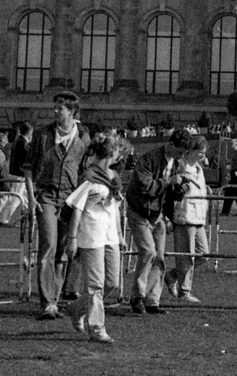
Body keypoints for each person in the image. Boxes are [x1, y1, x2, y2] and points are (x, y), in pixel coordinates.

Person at [24, 92, 90, 320]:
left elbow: (85, 170)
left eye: (60, 108)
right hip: (47, 195)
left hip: (71, 198)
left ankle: (55, 299)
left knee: (63, 251)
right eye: (55, 107)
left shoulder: (83, 136)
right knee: (48, 246)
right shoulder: (42, 135)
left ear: (71, 111)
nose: (55, 111)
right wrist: (31, 198)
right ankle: (47, 302)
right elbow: (29, 167)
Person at [64, 133, 128, 344]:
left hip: (109, 235)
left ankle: (76, 308)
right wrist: (72, 238)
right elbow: (76, 208)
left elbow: (116, 210)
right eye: (118, 150)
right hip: (91, 234)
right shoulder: (89, 177)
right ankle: (97, 328)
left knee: (112, 282)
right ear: (111, 152)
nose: (120, 154)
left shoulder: (114, 179)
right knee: (95, 284)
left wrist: (119, 235)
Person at [125, 126, 194, 314]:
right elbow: (144, 186)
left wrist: (180, 191)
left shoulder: (178, 164)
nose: (180, 156)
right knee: (148, 252)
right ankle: (137, 297)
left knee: (159, 259)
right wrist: (169, 182)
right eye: (179, 151)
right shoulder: (148, 159)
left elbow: (170, 194)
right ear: (170, 144)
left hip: (159, 215)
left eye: (183, 153)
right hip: (139, 211)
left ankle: (152, 301)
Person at [166, 135, 211, 303]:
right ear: (191, 151)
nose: (203, 155)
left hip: (199, 217)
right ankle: (185, 292)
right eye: (201, 152)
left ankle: (172, 276)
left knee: (204, 254)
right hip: (185, 216)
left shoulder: (198, 169)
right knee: (186, 256)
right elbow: (173, 192)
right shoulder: (180, 167)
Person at [220, 140, 237, 217]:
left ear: (236, 144)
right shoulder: (234, 153)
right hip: (234, 172)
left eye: (231, 144)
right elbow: (233, 165)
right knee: (231, 192)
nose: (229, 146)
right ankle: (227, 211)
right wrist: (230, 173)